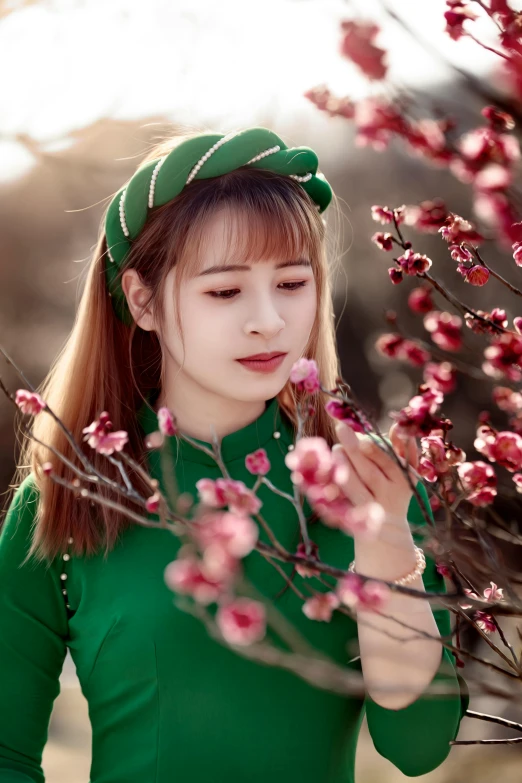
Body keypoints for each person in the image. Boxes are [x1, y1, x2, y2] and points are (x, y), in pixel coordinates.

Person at [0, 126, 468, 783]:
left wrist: (388, 540)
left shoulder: (368, 487)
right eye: (225, 291)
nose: (269, 320)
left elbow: (417, 747)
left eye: (292, 283)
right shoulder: (67, 498)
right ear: (143, 300)